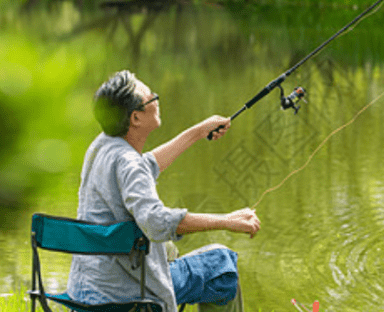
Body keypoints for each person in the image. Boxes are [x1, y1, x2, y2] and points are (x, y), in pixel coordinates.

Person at [66, 70, 260, 312]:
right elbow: (157, 222)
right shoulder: (128, 162)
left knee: (167, 250)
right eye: (151, 97)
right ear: (135, 118)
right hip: (124, 294)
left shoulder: (102, 146)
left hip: (88, 289)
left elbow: (144, 166)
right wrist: (227, 220)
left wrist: (199, 131)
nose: (157, 99)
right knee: (221, 266)